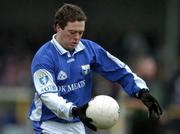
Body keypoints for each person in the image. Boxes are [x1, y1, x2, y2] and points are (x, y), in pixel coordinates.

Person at [28, 3, 162, 134]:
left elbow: (119, 69)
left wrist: (142, 92)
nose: (77, 38)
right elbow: (48, 96)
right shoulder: (44, 58)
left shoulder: (89, 49)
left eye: (80, 33)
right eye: (72, 32)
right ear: (58, 27)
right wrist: (74, 110)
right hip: (49, 124)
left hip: (77, 123)